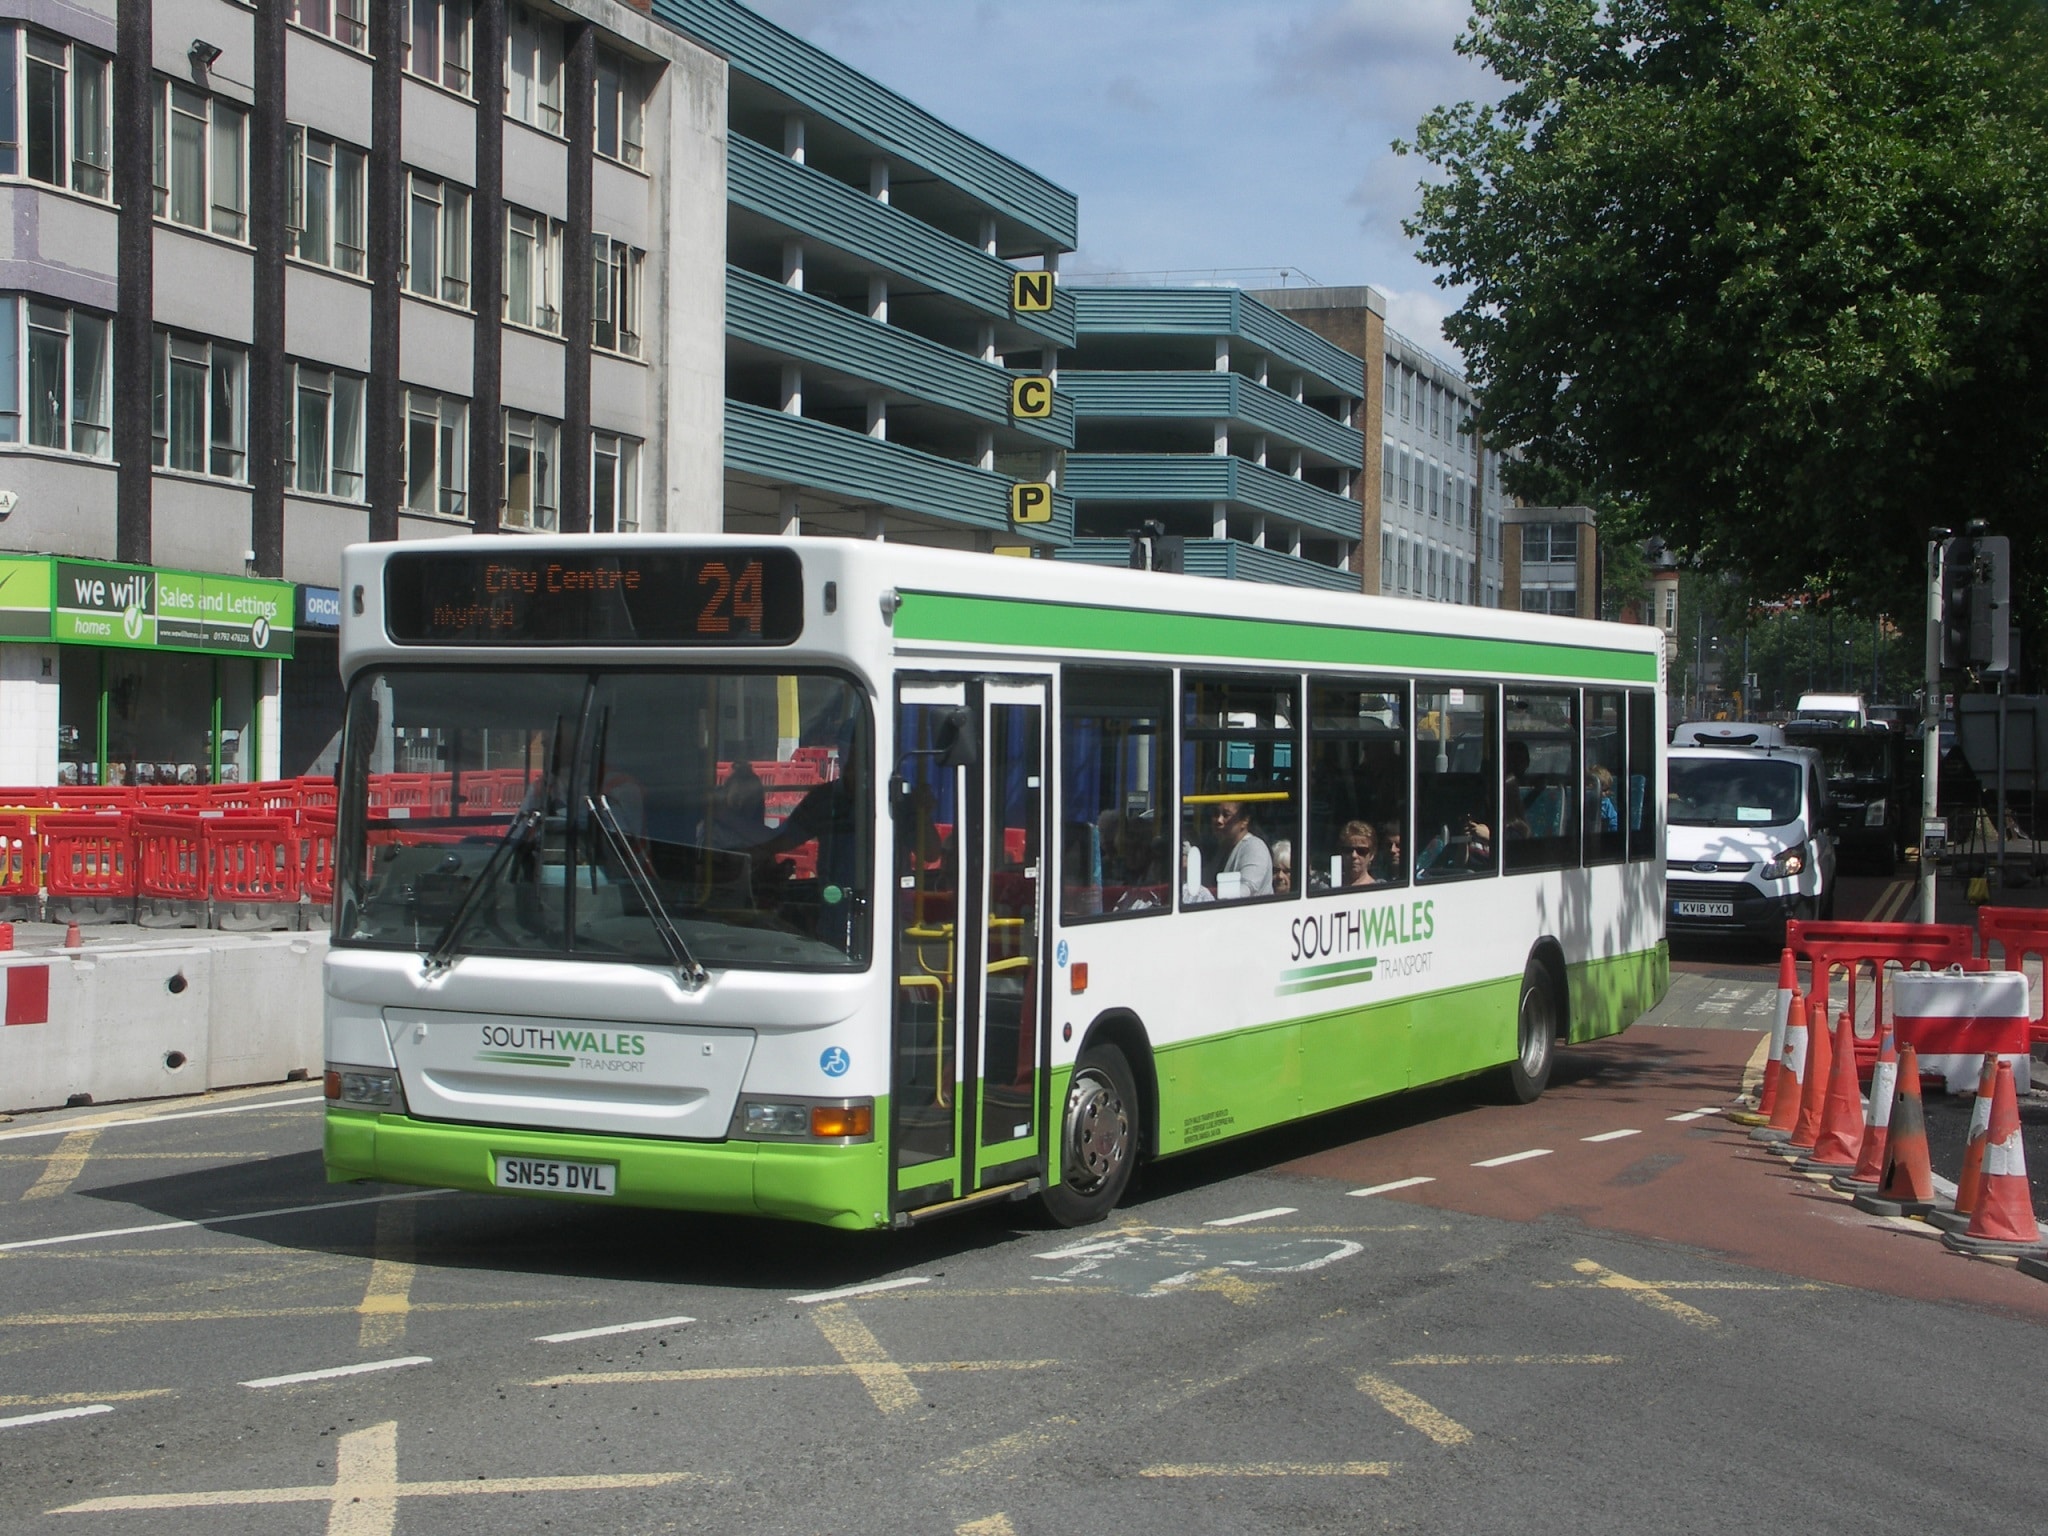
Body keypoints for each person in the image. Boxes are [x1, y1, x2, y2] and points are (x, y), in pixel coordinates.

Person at [1207, 799, 1273, 899]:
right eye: (1216, 814)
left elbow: (1245, 890)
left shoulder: (1254, 847)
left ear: (1245, 821)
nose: (1219, 820)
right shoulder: (1222, 849)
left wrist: (1209, 892)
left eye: (1226, 815)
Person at [1336, 821, 1378, 888]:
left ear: (1372, 855)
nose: (1354, 855)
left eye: (1361, 851)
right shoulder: (1327, 886)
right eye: (1348, 850)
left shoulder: (1380, 890)